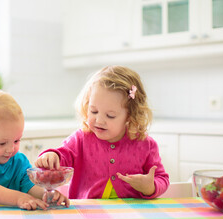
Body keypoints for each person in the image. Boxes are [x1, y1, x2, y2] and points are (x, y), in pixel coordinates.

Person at [35, 66, 169, 199]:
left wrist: (150, 187)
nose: (99, 120)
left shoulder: (146, 145)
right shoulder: (81, 139)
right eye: (93, 111)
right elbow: (63, 156)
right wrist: (53, 156)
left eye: (110, 115)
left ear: (130, 116)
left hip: (131, 216)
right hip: (88, 214)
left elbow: (162, 179)